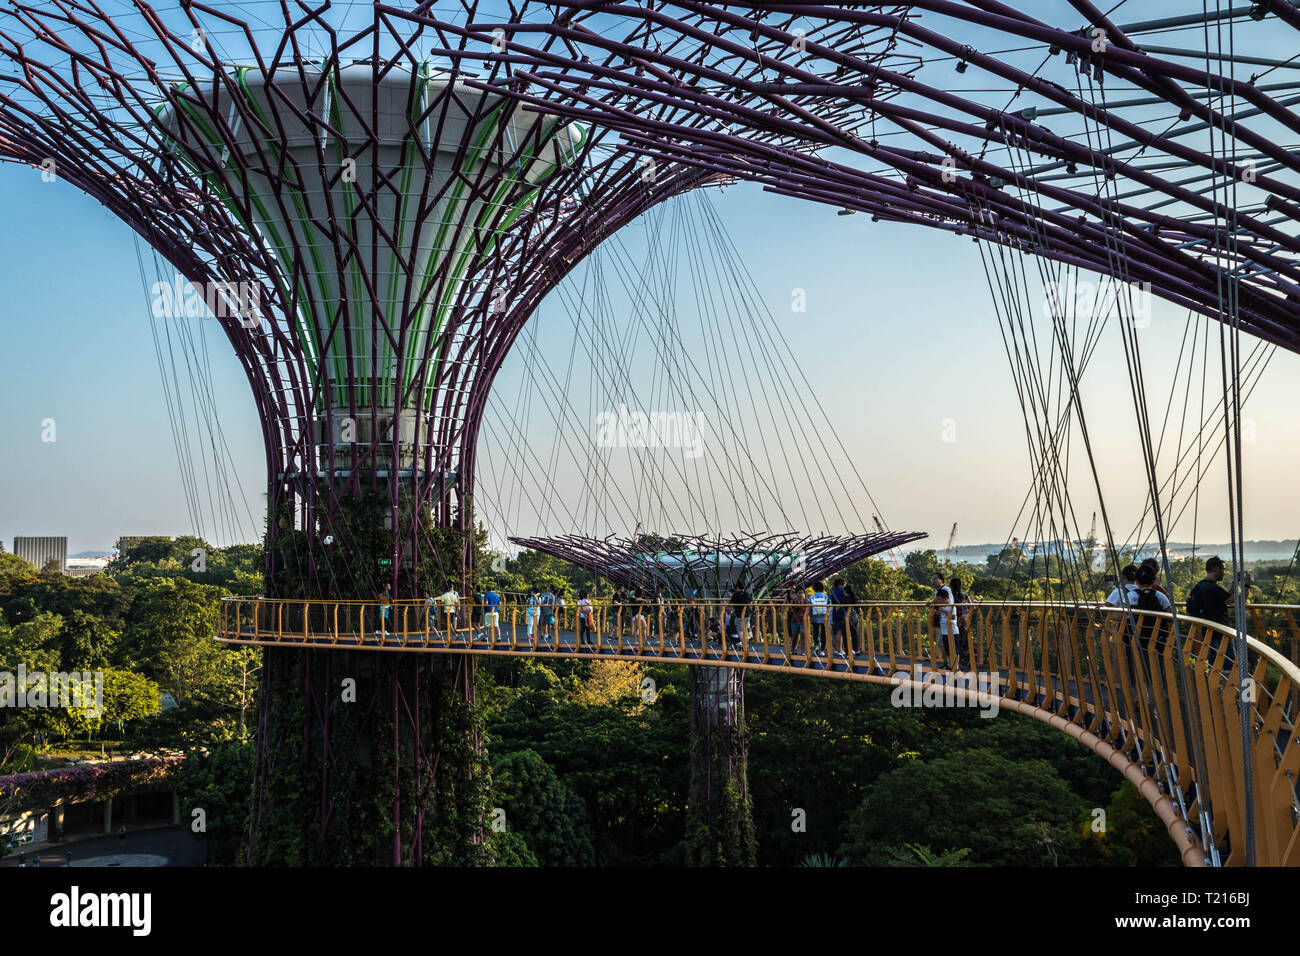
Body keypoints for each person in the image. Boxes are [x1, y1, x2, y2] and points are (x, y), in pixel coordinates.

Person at [1187, 556, 1253, 669]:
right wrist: (1247, 584)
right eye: (1223, 569)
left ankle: (1215, 685)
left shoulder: (1201, 586)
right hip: (1220, 633)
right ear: (1216, 569)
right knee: (1228, 667)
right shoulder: (1212, 588)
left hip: (1208, 632)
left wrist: (1234, 583)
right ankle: (1225, 686)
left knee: (1214, 666)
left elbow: (1224, 597)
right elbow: (1240, 601)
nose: (1224, 573)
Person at [929, 573, 958, 665]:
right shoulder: (937, 590)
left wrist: (941, 609)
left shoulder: (945, 589)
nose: (933, 581)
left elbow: (948, 603)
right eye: (932, 579)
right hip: (943, 620)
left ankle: (951, 664)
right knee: (942, 643)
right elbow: (937, 600)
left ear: (941, 580)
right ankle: (948, 663)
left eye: (935, 579)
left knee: (948, 645)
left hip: (949, 620)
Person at [949, 576, 974, 669]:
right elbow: (972, 606)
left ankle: (957, 663)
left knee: (957, 642)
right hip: (966, 621)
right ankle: (970, 661)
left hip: (957, 621)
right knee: (968, 641)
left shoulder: (951, 596)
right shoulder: (964, 595)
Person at [808, 582, 830, 653]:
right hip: (824, 617)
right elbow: (828, 606)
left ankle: (817, 644)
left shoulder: (812, 597)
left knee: (815, 631)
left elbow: (809, 608)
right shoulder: (826, 596)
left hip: (815, 617)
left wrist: (809, 615)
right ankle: (823, 650)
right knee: (824, 633)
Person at [830, 577, 848, 654]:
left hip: (834, 613)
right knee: (840, 632)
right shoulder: (842, 591)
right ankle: (840, 649)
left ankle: (837, 648)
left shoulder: (833, 592)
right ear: (841, 584)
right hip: (841, 612)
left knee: (836, 631)